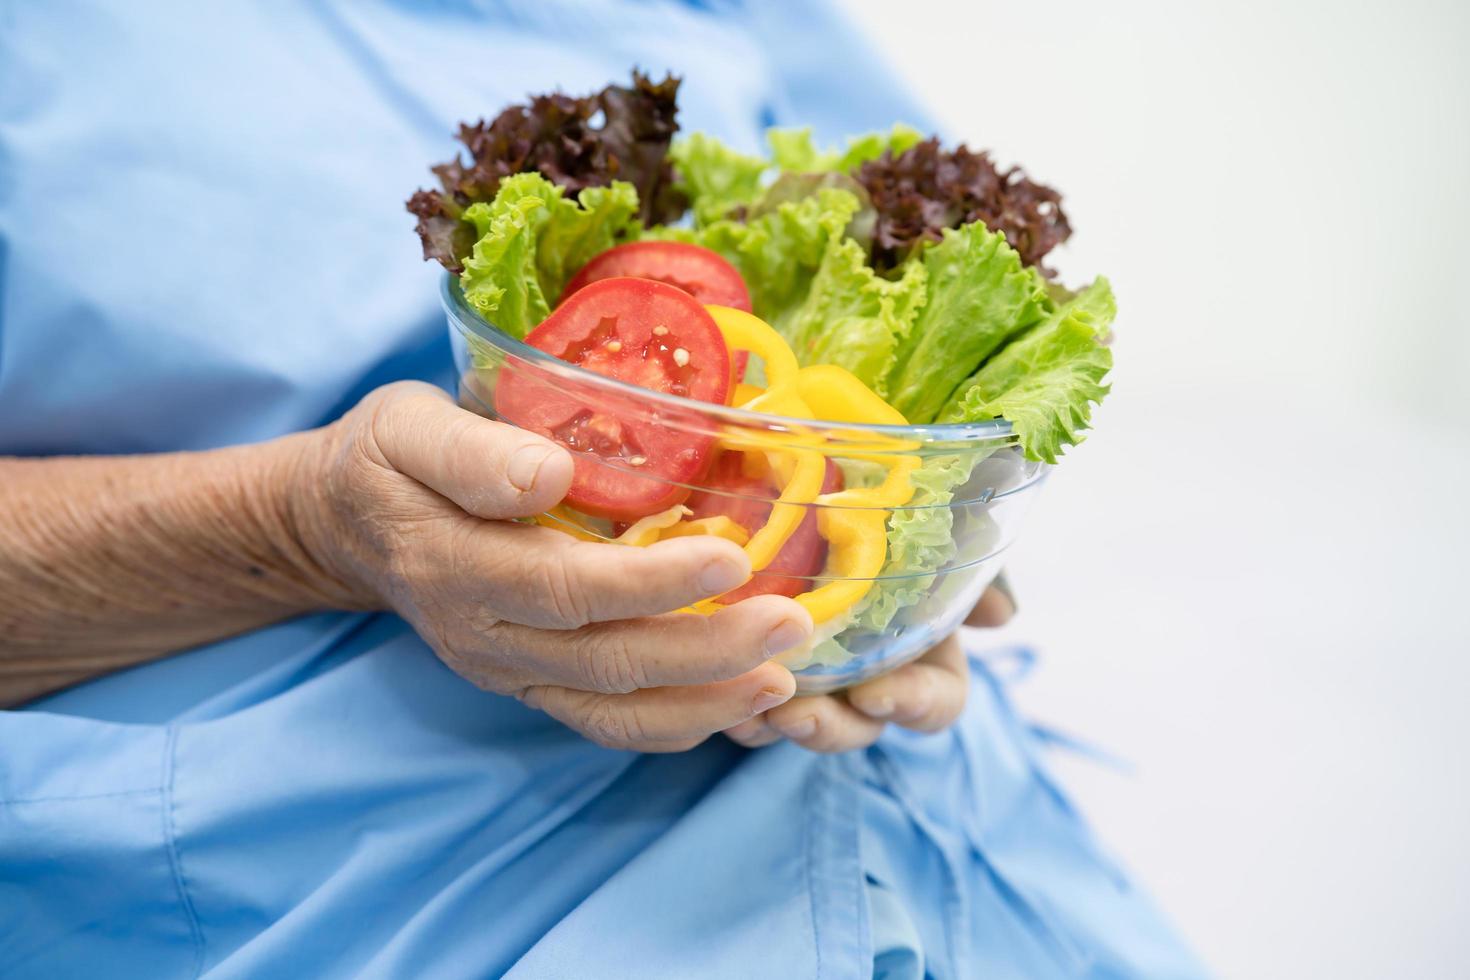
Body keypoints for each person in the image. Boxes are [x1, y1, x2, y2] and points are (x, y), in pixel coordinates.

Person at [0, 2, 1204, 977]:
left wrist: (899, 554)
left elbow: (916, 290)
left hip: (942, 839)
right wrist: (303, 525)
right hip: (379, 879)